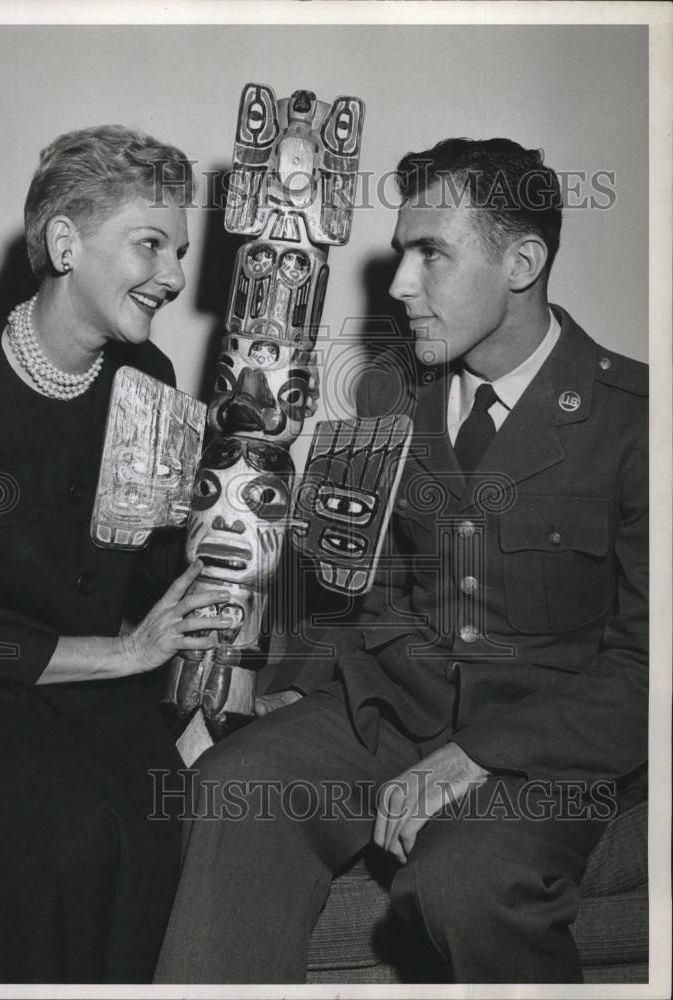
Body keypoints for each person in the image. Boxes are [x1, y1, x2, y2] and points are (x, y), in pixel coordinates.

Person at [152, 138, 649, 984]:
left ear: (521, 262)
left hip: (543, 748)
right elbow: (356, 591)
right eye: (399, 252)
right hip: (393, 713)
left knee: (466, 877)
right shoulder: (388, 398)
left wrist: (477, 756)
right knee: (234, 789)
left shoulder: (634, 420)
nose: (398, 285)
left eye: (432, 254)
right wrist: (287, 693)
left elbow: (649, 665)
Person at [0, 125, 234, 983]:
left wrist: (229, 538)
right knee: (37, 840)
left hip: (110, 707)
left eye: (180, 249)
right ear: (65, 242)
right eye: (149, 244)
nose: (175, 276)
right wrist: (124, 652)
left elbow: (158, 573)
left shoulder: (148, 377)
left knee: (146, 829)